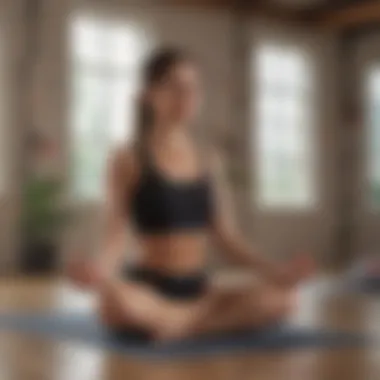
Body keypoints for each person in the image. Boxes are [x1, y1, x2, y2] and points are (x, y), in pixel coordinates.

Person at [68, 47, 314, 342]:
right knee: (113, 303)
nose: (187, 95)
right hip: (150, 291)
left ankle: (180, 326)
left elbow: (227, 238)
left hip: (199, 292)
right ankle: (190, 323)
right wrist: (99, 273)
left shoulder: (209, 159)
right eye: (175, 86)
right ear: (149, 94)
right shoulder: (128, 158)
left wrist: (276, 271)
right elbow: (115, 237)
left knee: (284, 299)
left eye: (193, 87)